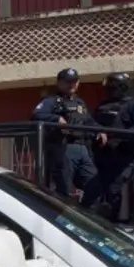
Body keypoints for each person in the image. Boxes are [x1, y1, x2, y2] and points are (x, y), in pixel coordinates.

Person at [31, 68, 104, 203]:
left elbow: (89, 121)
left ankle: (85, 215)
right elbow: (37, 114)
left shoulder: (80, 103)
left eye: (74, 82)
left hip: (83, 148)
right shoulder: (52, 100)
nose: (72, 85)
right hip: (64, 147)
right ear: (59, 83)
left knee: (94, 187)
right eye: (68, 82)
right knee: (64, 190)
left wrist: (99, 130)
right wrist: (56, 119)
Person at [92, 72, 134, 222]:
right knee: (95, 192)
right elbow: (93, 124)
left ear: (122, 87)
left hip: (123, 158)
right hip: (102, 157)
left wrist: (111, 135)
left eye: (112, 87)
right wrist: (98, 132)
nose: (109, 90)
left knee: (113, 191)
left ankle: (111, 225)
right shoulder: (102, 106)